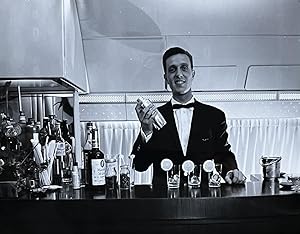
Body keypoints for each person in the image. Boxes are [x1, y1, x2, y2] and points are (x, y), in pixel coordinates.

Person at [132, 47, 246, 187]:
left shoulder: (215, 116)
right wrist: (146, 130)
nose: (179, 74)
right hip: (163, 201)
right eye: (172, 69)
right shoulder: (154, 117)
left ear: (192, 74)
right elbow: (139, 165)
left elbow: (223, 154)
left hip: (203, 200)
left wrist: (231, 171)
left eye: (184, 68)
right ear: (166, 78)